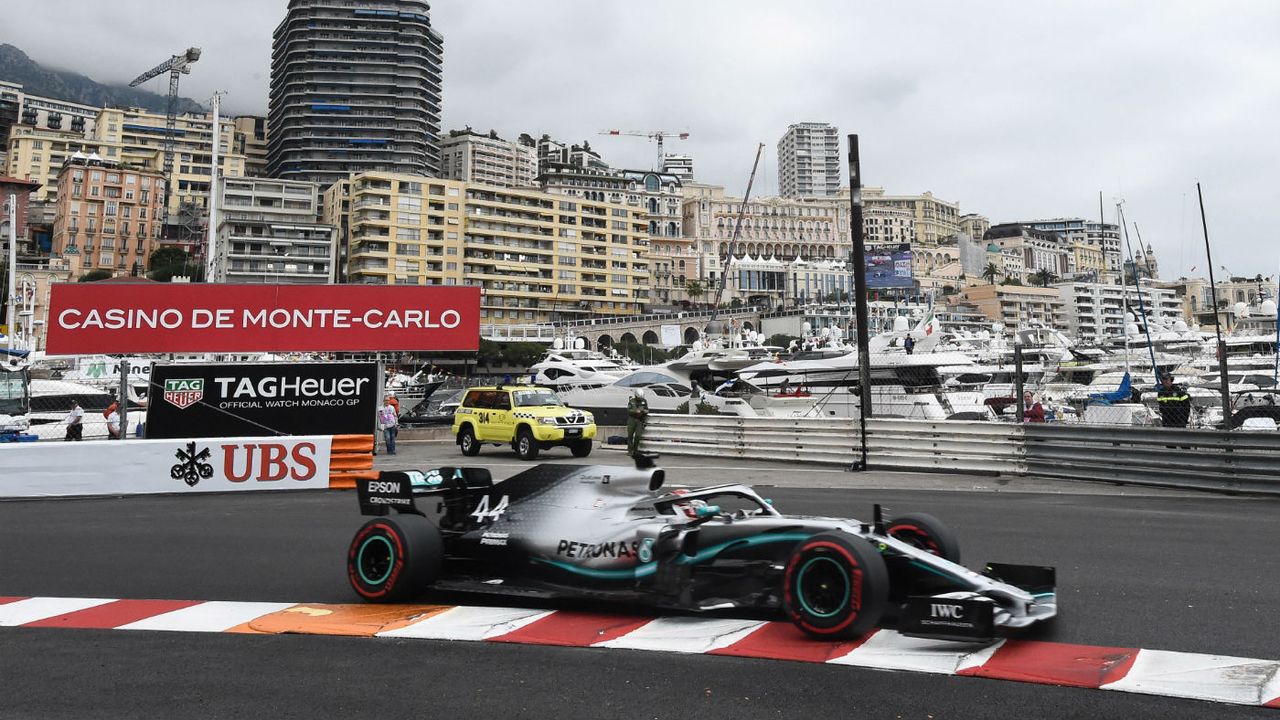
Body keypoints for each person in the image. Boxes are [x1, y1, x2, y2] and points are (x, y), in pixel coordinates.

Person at [626, 389, 649, 457]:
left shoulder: (644, 401)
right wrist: (636, 411)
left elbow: (647, 409)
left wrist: (643, 411)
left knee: (638, 435)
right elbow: (628, 410)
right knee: (630, 435)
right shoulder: (631, 401)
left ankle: (635, 449)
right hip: (632, 419)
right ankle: (630, 450)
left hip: (639, 420)